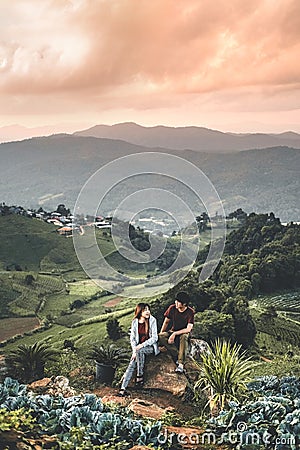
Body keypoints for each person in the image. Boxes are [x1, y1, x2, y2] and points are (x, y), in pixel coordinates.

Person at [118, 303, 159, 396]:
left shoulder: (152, 320)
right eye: (145, 310)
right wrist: (134, 351)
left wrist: (141, 346)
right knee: (132, 362)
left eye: (148, 309)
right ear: (140, 312)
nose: (148, 312)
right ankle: (123, 388)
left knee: (139, 351)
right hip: (138, 349)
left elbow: (155, 338)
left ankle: (139, 375)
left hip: (150, 347)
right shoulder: (135, 322)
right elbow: (132, 339)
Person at [159, 291, 194, 373]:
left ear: (184, 304)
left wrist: (175, 334)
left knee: (184, 337)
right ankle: (177, 354)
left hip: (184, 333)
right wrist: (160, 337)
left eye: (178, 302)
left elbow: (188, 329)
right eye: (176, 301)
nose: (176, 303)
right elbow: (166, 322)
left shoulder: (190, 312)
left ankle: (181, 364)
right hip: (172, 330)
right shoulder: (172, 308)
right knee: (161, 336)